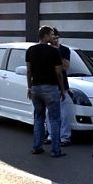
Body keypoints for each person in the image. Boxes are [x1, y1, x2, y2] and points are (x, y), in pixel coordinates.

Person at [25, 25, 66, 158]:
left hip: (36, 88)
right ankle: (55, 150)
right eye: (52, 34)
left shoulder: (30, 50)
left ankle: (36, 147)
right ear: (46, 36)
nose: (53, 36)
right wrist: (62, 89)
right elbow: (59, 72)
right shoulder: (54, 51)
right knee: (54, 119)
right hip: (50, 87)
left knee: (38, 117)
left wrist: (29, 87)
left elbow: (28, 71)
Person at [45, 27, 72, 146]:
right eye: (53, 38)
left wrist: (56, 54)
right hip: (49, 84)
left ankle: (65, 137)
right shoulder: (45, 50)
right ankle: (51, 135)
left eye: (57, 38)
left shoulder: (65, 50)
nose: (55, 40)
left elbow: (65, 67)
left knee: (64, 113)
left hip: (62, 85)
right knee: (49, 112)